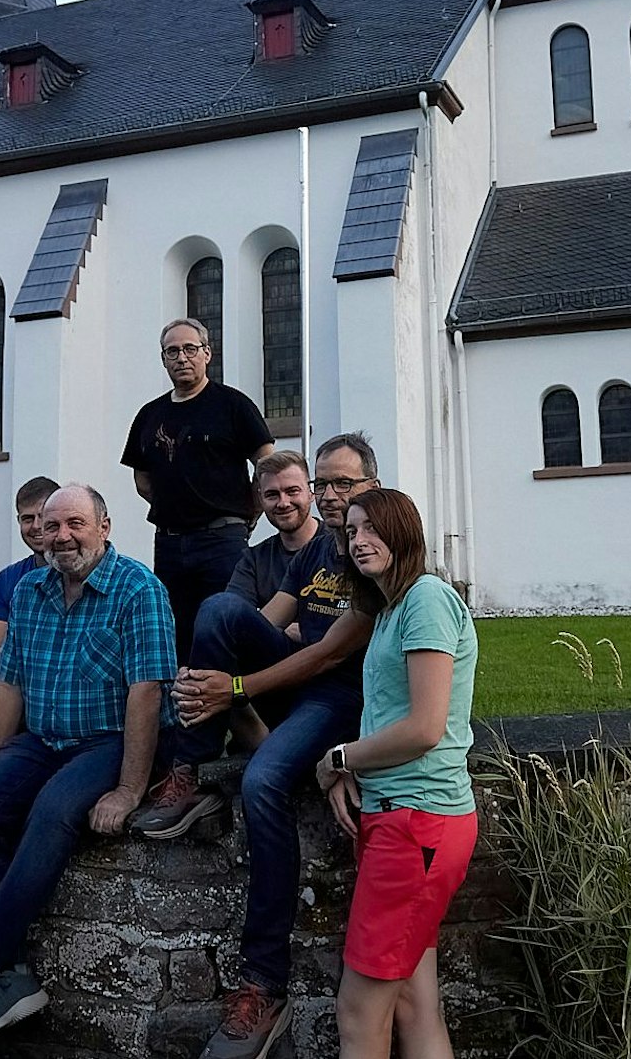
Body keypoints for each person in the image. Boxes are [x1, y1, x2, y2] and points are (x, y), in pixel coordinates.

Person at [0, 484, 176, 1056]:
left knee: (51, 811)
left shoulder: (138, 589)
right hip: (44, 739)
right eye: (51, 527)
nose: (62, 536)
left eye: (75, 523)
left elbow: (146, 694)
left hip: (110, 740)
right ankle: (13, 974)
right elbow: (11, 684)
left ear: (104, 525)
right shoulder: (30, 589)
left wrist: (128, 788)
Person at [140, 433, 383, 1059]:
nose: (330, 496)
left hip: (340, 702)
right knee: (220, 609)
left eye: (343, 484)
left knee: (262, 782)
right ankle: (188, 770)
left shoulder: (375, 547)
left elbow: (330, 654)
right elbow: (266, 623)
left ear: (371, 486)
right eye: (324, 483)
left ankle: (263, 985)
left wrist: (238, 687)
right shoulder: (317, 552)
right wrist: (207, 678)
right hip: (295, 683)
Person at [314, 488, 478, 1059]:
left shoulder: (425, 598)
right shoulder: (390, 609)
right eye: (351, 531)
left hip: (418, 826)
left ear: (403, 532)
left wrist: (339, 759)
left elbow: (425, 727)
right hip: (403, 822)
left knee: (359, 1013)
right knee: (412, 1001)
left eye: (371, 528)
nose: (358, 540)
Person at [122, 318, 274, 661]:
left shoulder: (233, 405)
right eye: (172, 351)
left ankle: (236, 707)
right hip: (170, 543)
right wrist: (178, 503)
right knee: (176, 631)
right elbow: (142, 480)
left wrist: (251, 510)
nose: (182, 357)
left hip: (222, 540)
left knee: (225, 626)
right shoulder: (149, 415)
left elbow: (267, 464)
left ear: (207, 354)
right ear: (163, 359)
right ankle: (185, 709)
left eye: (190, 349)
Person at [0, 475, 62, 674]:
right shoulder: (8, 579)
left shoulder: (82, 572)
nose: (36, 526)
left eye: (43, 517)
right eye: (27, 518)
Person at [222, 450, 321, 611]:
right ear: (261, 499)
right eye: (272, 495)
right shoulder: (254, 560)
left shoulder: (338, 546)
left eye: (292, 491)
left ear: (311, 492)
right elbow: (233, 618)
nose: (283, 503)